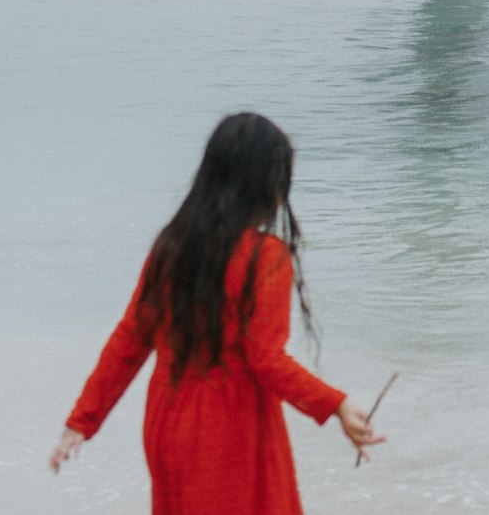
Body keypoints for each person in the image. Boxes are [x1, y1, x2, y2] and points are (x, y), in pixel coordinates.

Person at [50, 112, 384, 513]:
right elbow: (266, 360)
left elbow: (131, 339)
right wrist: (336, 404)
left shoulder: (171, 246)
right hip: (230, 429)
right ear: (264, 186)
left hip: (167, 421)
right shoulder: (265, 258)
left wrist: (81, 421)